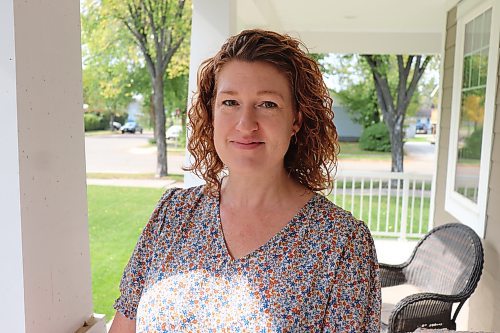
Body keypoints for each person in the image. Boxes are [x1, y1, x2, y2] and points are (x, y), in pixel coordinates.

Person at [109, 29, 380, 333]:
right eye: (230, 102)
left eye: (267, 104)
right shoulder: (172, 213)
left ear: (296, 120)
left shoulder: (341, 242)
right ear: (211, 114)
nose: (245, 124)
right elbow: (125, 324)